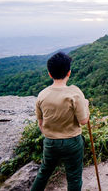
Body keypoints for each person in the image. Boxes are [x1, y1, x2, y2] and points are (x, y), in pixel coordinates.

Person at [31, 52, 90, 191]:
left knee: (44, 173)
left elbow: (40, 122)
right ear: (69, 73)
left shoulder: (42, 95)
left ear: (49, 74)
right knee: (74, 177)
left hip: (50, 141)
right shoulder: (74, 93)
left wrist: (50, 136)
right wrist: (86, 105)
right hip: (72, 142)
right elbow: (83, 121)